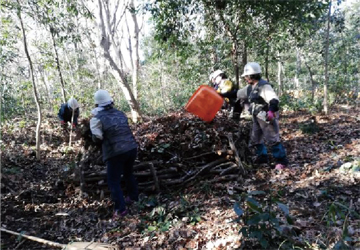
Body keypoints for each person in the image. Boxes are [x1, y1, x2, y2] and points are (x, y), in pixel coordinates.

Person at [90, 89, 139, 219]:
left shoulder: (96, 119)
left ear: (97, 104)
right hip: (131, 148)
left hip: (115, 152)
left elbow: (97, 137)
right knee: (129, 173)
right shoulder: (121, 113)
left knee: (113, 181)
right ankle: (133, 197)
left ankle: (121, 210)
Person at [236, 62, 288, 170]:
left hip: (265, 115)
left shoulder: (264, 86)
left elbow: (273, 99)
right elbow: (238, 93)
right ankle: (262, 157)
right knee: (256, 137)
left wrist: (271, 111)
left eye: (246, 76)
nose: (245, 78)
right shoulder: (249, 88)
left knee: (272, 137)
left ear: (252, 76)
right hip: (257, 115)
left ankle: (281, 161)